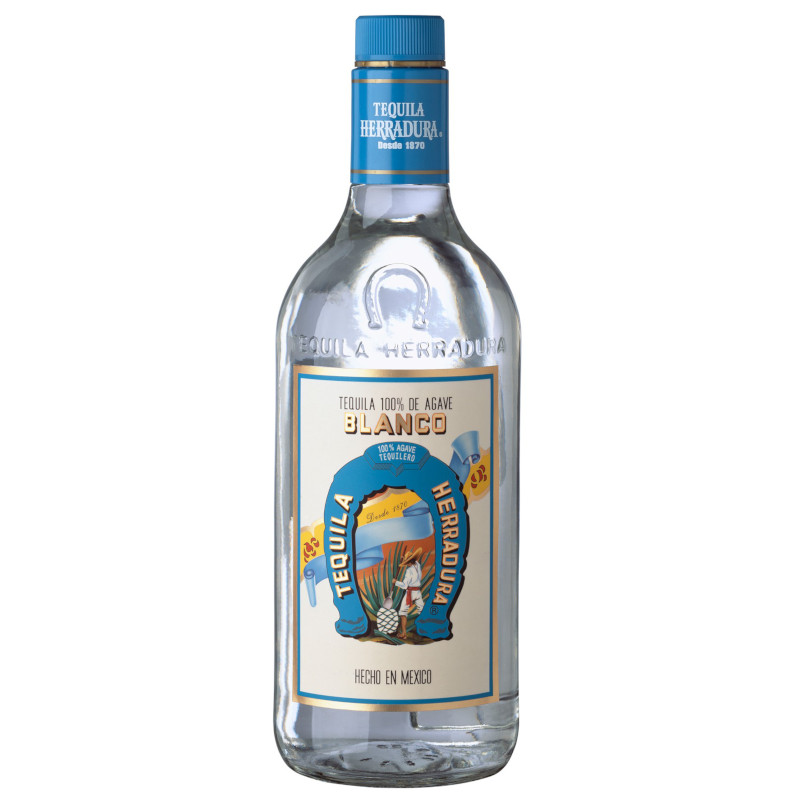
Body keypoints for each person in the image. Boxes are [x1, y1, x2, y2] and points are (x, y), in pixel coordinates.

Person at [394, 547, 424, 639]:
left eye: (407, 562)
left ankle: (404, 634)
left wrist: (395, 582)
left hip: (410, 593)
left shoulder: (409, 571)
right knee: (422, 610)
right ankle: (426, 629)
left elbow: (404, 585)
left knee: (403, 612)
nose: (406, 564)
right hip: (418, 592)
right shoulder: (418, 565)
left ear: (409, 562)